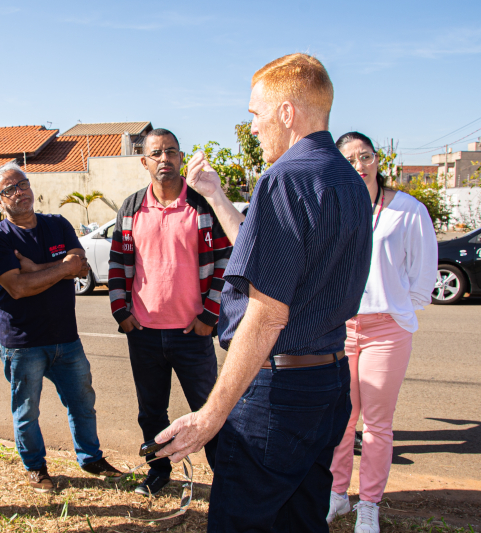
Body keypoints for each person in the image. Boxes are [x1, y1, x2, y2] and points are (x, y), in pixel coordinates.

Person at [154, 53, 373, 532]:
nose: (251, 127)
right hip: (329, 384)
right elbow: (276, 259)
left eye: (255, 114)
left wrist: (211, 415)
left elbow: (268, 314)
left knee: (242, 521)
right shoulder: (352, 184)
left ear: (287, 113)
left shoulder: (285, 179)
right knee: (300, 519)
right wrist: (214, 194)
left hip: (279, 394)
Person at [0, 162, 124, 493]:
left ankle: (91, 458)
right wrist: (60, 268)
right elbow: (17, 288)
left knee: (82, 402)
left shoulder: (57, 224)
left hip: (66, 338)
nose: (19, 192)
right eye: (9, 190)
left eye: (22, 183)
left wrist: (36, 269)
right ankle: (36, 468)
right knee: (27, 411)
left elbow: (80, 265)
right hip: (23, 343)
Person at [108, 128, 231, 496]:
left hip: (192, 335)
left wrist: (210, 316)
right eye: (157, 153)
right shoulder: (131, 209)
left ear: (181, 158)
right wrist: (121, 313)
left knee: (209, 411)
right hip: (144, 334)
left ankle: (227, 479)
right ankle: (158, 472)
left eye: (172, 152)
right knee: (151, 413)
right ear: (144, 161)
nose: (165, 159)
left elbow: (225, 261)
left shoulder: (201, 206)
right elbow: (116, 265)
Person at [327, 132, 438, 533]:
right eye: (351, 159)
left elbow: (423, 274)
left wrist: (394, 304)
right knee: (341, 417)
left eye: (366, 156)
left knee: (376, 423)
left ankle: (369, 503)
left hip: (386, 329)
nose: (360, 165)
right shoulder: (333, 207)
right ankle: (337, 495)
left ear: (377, 160)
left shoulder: (407, 210)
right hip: (340, 327)